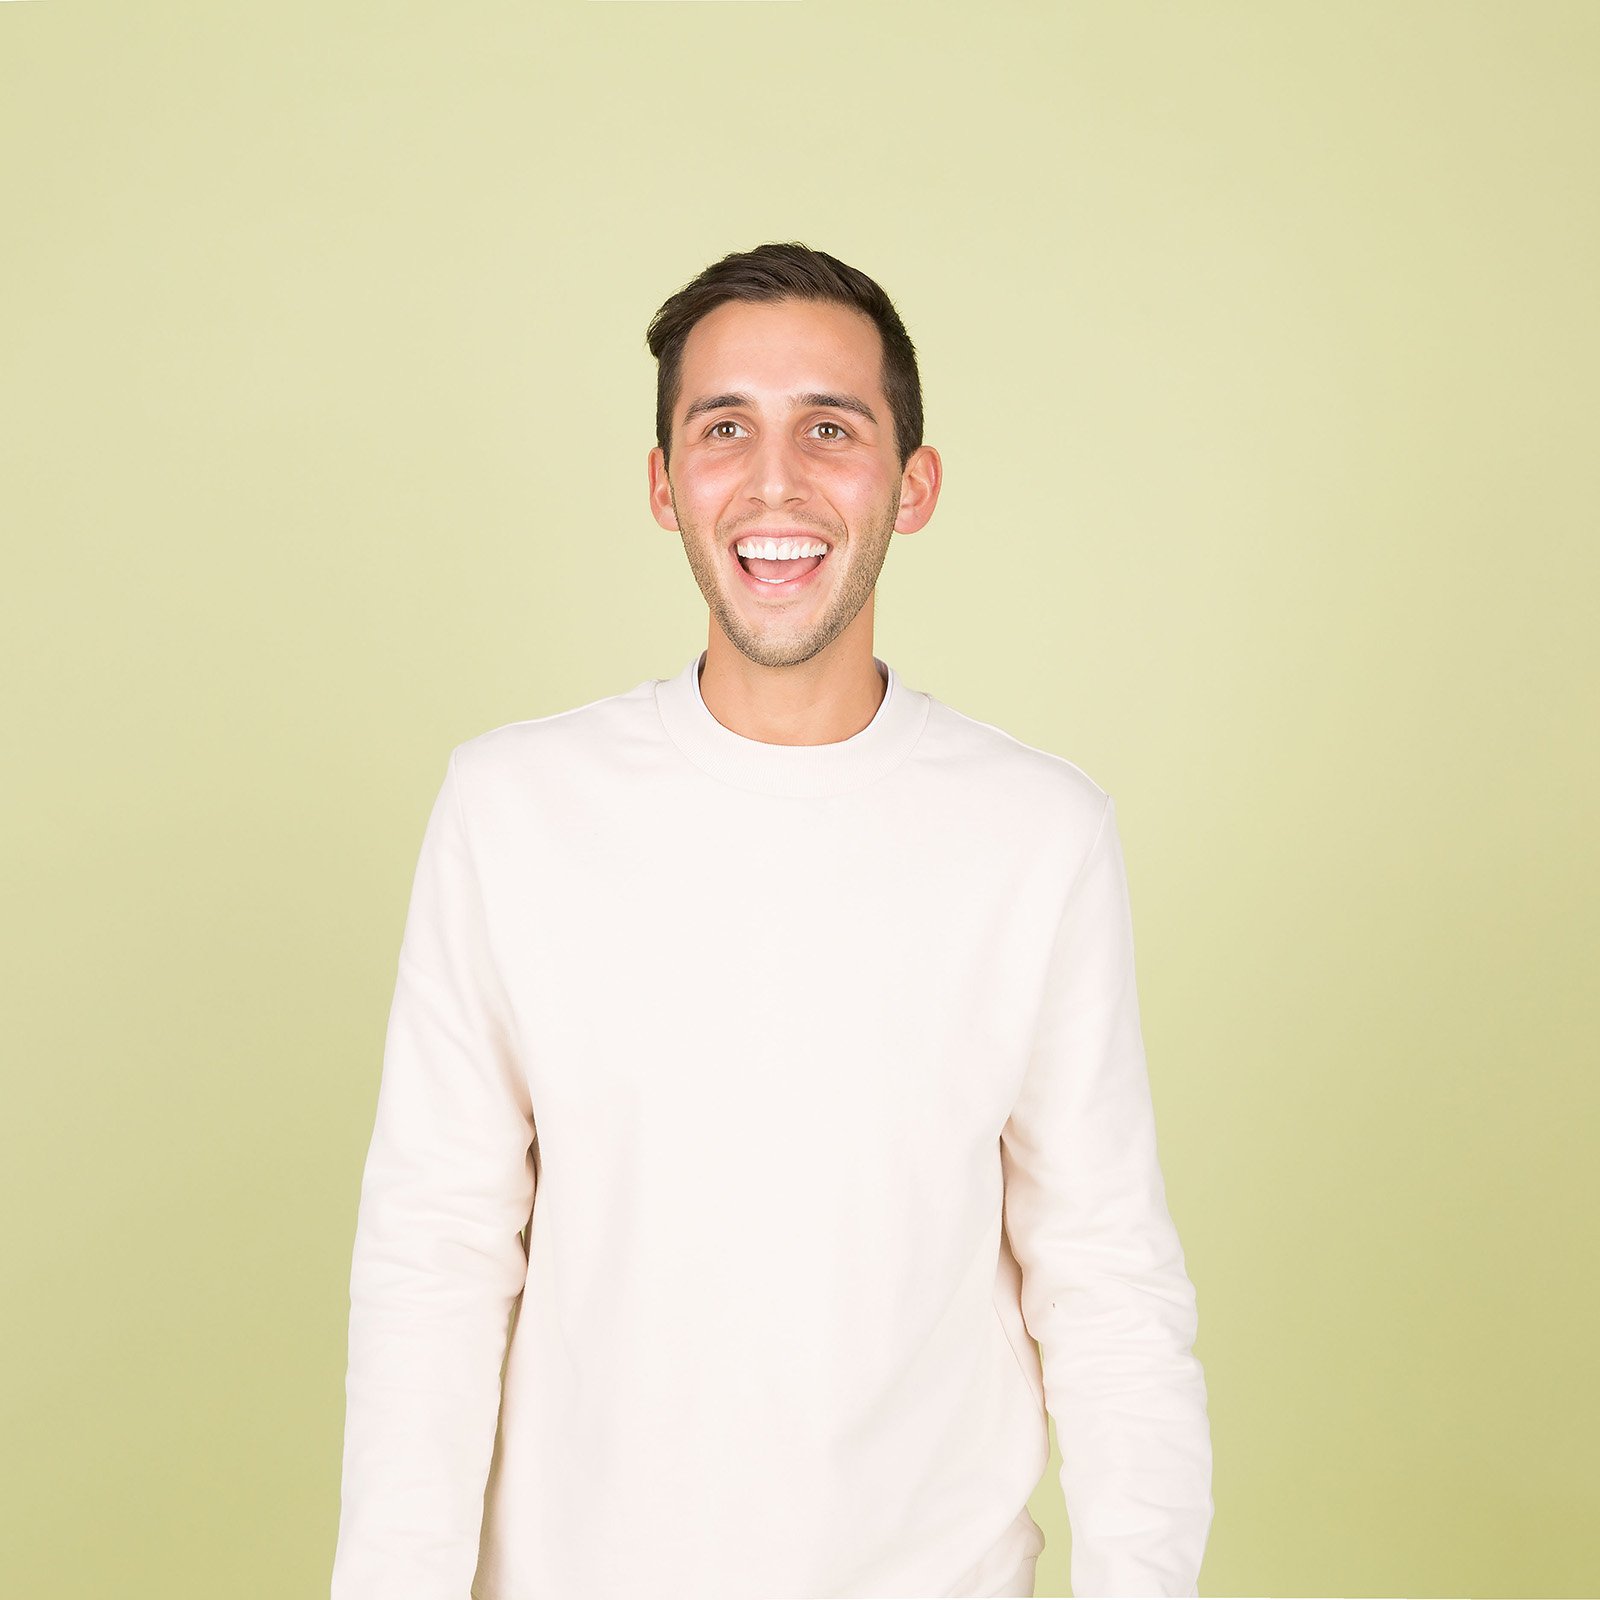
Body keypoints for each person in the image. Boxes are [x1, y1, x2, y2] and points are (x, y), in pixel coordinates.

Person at [330, 241, 1214, 1600]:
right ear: (664, 484)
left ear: (914, 485)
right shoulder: (513, 810)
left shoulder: (1040, 836)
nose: (776, 482)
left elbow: (1103, 1278)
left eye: (831, 429)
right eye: (724, 428)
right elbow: (434, 1255)